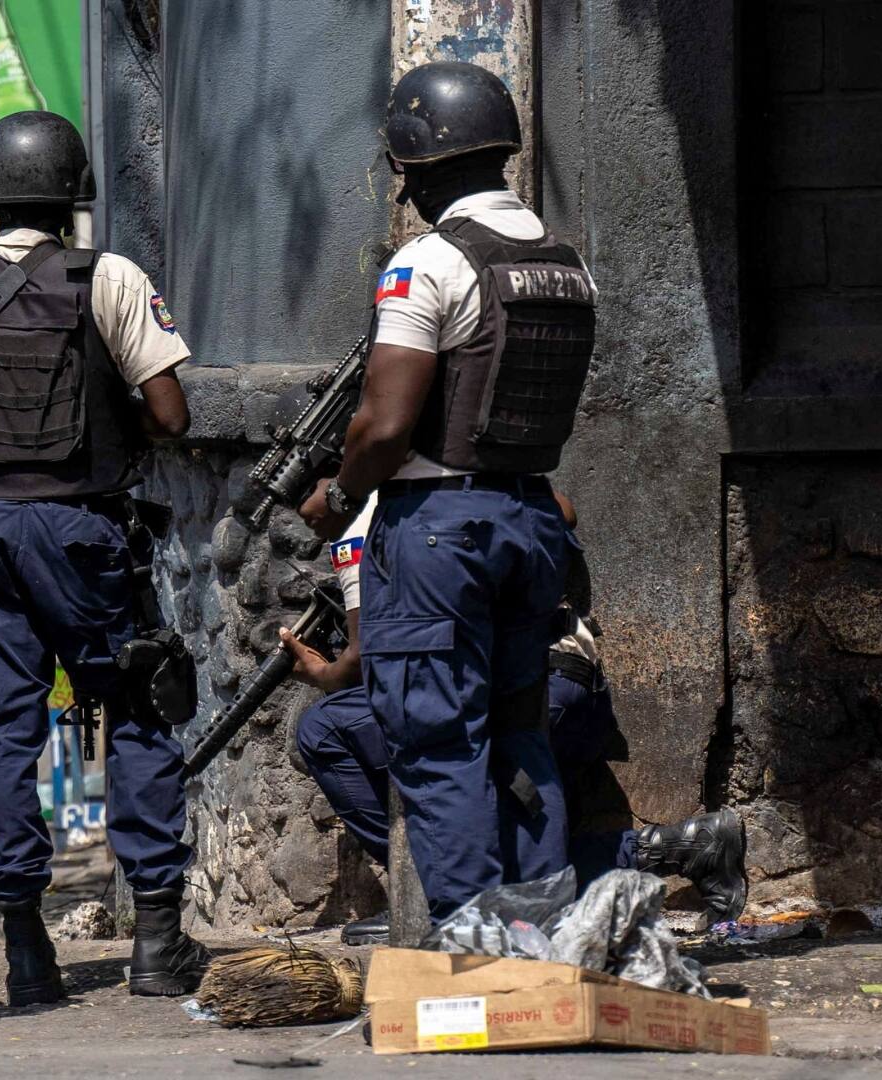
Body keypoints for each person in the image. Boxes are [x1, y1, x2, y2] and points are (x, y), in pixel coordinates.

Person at [0, 111, 199, 1007]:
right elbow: (173, 415)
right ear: (75, 195)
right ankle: (154, 943)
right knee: (140, 712)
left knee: (5, 731)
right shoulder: (109, 277)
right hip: (86, 532)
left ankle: (27, 956)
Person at [298, 61, 597, 922]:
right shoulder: (567, 266)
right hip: (530, 520)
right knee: (519, 733)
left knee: (437, 744)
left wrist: (342, 493)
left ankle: (476, 946)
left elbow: (385, 425)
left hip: (439, 529)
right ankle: (544, 937)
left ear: (420, 169)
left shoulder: (425, 264)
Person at [284, 493, 748, 944]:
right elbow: (564, 508)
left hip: (491, 691)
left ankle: (429, 895)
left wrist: (323, 673)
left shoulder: (367, 520)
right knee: (512, 845)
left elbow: (363, 655)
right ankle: (680, 845)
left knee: (325, 729)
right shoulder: (491, 484)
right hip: (564, 680)